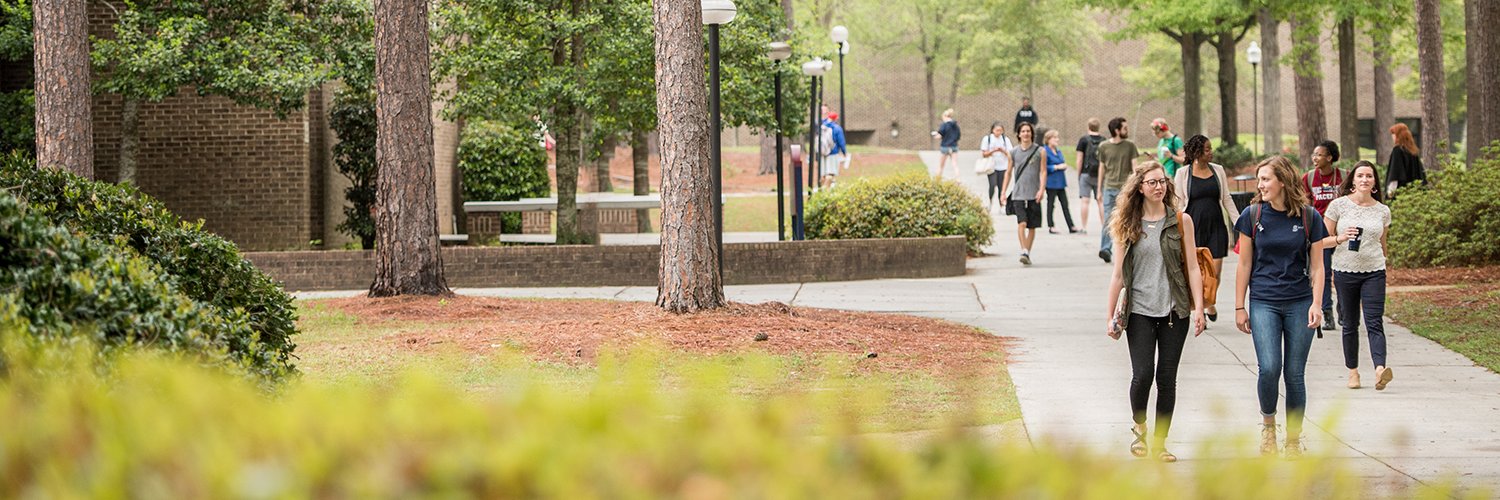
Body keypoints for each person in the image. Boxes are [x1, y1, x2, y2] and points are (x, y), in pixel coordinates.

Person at [1104, 160, 1207, 463]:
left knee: (1166, 378)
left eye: (1162, 181)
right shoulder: (1127, 224)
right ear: (1140, 187)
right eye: (1152, 182)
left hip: (1175, 311)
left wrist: (1200, 308)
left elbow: (1193, 267)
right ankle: (1140, 427)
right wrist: (1110, 317)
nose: (1159, 187)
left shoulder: (1181, 221)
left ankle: (1160, 443)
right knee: (1142, 375)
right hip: (1139, 311)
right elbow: (1118, 275)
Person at [1233, 155, 1329, 459]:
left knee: (1295, 373)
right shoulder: (1252, 215)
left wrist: (1317, 304)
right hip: (1264, 301)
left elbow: (1318, 266)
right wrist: (1239, 306)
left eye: (1265, 179)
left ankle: (1294, 440)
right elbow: (1244, 264)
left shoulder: (1309, 217)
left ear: (1283, 181)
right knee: (1270, 368)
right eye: (1259, 179)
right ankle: (1268, 428)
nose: (1260, 185)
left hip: (1300, 301)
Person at [1321, 161, 1394, 391]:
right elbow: (1321, 241)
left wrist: (1384, 262)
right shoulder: (1338, 206)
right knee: (1350, 323)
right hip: (1345, 271)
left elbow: (1383, 243)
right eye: (1360, 175)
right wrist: (1341, 238)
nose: (1364, 179)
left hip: (1375, 271)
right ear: (1353, 180)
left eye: (1369, 176)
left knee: (1374, 321)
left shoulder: (1383, 210)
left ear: (1374, 182)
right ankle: (1353, 372)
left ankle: (1380, 370)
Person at [1173, 134, 1238, 322]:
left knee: (1214, 273)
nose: (1211, 152)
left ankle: (1209, 301)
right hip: (1192, 228)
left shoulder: (1218, 170)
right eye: (1207, 149)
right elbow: (1178, 203)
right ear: (1197, 153)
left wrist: (1239, 222)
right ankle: (1201, 307)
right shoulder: (1183, 174)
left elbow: (1226, 198)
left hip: (1216, 225)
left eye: (1211, 149)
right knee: (1196, 271)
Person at [1304, 140, 1345, 332]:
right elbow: (1306, 205)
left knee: (1344, 272)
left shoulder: (1343, 176)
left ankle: (1344, 309)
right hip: (1320, 233)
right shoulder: (1309, 178)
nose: (1315, 158)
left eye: (1319, 155)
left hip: (1343, 231)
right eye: (1314, 154)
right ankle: (1327, 313)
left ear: (1329, 158)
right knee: (1324, 271)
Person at [1000, 121, 1047, 265]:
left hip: (1034, 194)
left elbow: (1043, 171)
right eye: (1023, 131)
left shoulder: (1040, 151)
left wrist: (1041, 189)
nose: (1026, 134)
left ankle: (1027, 252)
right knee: (1022, 223)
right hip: (1018, 194)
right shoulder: (1013, 152)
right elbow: (1008, 172)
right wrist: (1003, 192)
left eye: (1028, 131)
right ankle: (1024, 250)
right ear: (1019, 134)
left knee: (1032, 226)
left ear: (1032, 134)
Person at [1097, 117, 1140, 264]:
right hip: (1109, 188)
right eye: (1124, 128)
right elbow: (1102, 168)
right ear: (1117, 130)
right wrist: (1099, 190)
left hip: (1125, 189)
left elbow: (1135, 167)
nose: (1127, 130)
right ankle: (1105, 249)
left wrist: (1137, 185)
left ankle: (1128, 249)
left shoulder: (1130, 146)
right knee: (1108, 219)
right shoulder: (1103, 146)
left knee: (1128, 219)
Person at [1042, 129, 1077, 234]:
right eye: (1055, 138)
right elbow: (1043, 167)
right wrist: (1056, 167)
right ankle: (1051, 226)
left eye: (1057, 137)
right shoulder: (1045, 151)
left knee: (1065, 205)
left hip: (1061, 182)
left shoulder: (1058, 151)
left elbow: (1062, 161)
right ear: (1048, 139)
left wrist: (1064, 166)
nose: (1057, 139)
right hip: (1051, 182)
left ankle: (1071, 226)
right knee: (1051, 204)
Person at [1075, 118, 1106, 235]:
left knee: (1085, 201)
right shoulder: (1104, 141)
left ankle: (1084, 227)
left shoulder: (1083, 140)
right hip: (1100, 175)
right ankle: (1105, 228)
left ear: (1088, 127)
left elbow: (1079, 159)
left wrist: (1079, 174)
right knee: (1101, 201)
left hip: (1086, 173)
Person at [980, 122, 1014, 213]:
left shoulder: (1005, 140)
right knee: (992, 185)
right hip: (991, 167)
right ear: (993, 130)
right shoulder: (987, 139)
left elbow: (1010, 154)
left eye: (1000, 130)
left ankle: (1001, 205)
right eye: (997, 130)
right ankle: (990, 201)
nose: (998, 132)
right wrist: (993, 150)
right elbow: (984, 154)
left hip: (1003, 166)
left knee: (1001, 187)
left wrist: (1003, 150)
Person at [1386, 123, 1425, 197]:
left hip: (1401, 194)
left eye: (1394, 134)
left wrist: (1390, 192)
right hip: (1415, 193)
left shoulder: (1397, 151)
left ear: (1398, 135)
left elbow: (1395, 174)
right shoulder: (1413, 152)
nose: (1392, 136)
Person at [821, 113, 848, 190]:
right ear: (835, 119)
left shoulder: (822, 127)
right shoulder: (837, 128)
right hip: (833, 153)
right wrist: (844, 152)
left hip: (822, 153)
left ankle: (822, 189)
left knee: (823, 173)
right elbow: (841, 142)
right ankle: (826, 190)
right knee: (831, 173)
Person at [932, 109, 961, 179]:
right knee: (955, 164)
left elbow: (939, 135)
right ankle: (958, 179)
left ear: (945, 116)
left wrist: (935, 135)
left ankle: (937, 180)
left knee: (941, 166)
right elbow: (958, 136)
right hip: (954, 146)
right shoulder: (956, 125)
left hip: (945, 147)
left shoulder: (944, 125)